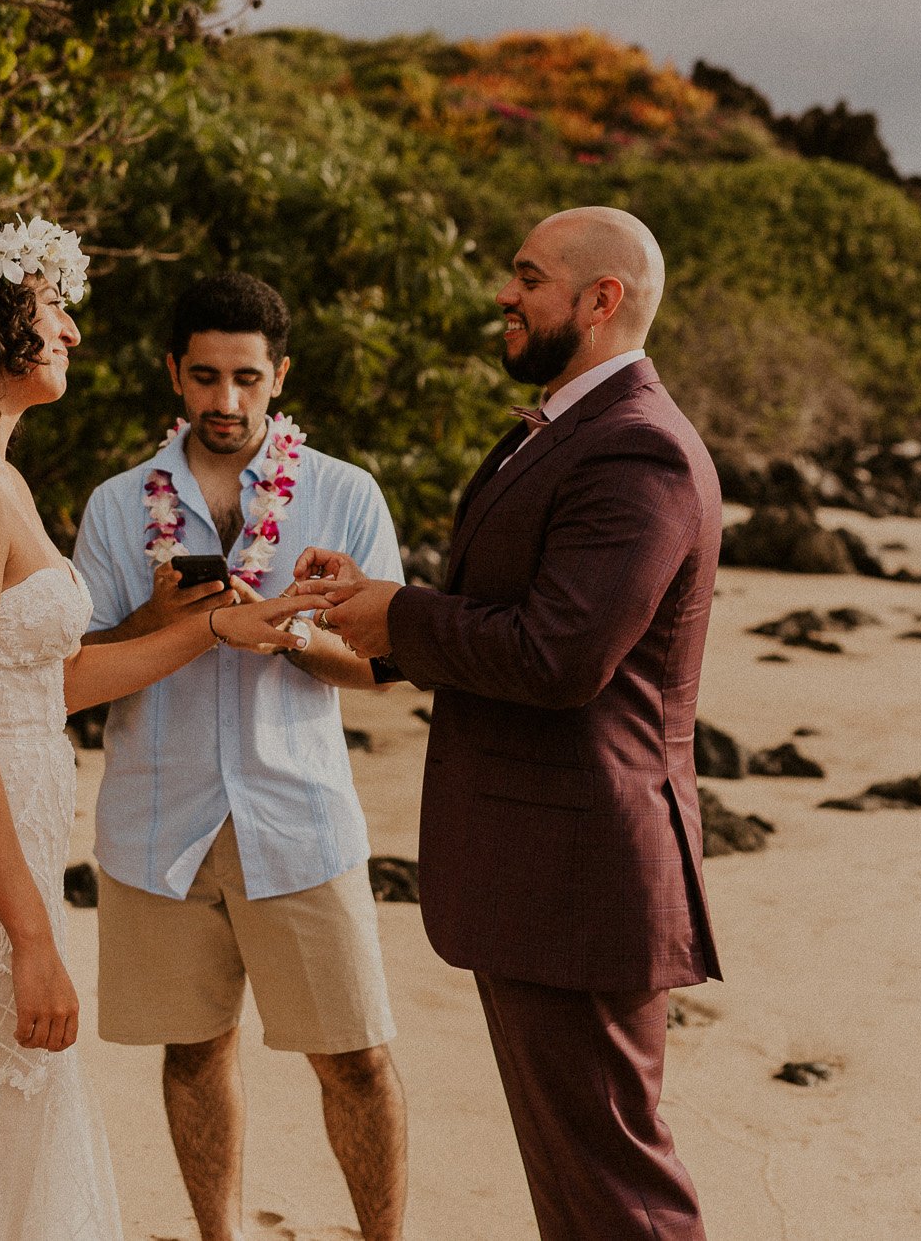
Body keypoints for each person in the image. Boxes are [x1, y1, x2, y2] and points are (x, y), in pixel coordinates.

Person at [0, 221, 325, 1241]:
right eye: (49, 305)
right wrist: (32, 940)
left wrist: (214, 626)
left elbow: (45, 685)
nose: (71, 330)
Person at [294, 207, 721, 1241]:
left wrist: (398, 613)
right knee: (579, 1185)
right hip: (542, 867)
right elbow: (512, 613)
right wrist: (384, 612)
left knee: (617, 1187)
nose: (504, 293)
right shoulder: (567, 426)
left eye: (526, 276)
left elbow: (557, 655)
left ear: (599, 299)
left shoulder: (638, 450)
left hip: (583, 869)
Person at [70, 271, 409, 1241]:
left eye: (247, 379)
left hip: (297, 819)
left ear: (279, 376)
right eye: (206, 377)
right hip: (156, 823)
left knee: (355, 1056)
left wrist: (293, 637)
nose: (226, 402)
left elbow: (388, 664)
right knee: (191, 1050)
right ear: (172, 374)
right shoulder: (116, 505)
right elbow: (82, 661)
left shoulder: (343, 493)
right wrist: (168, 617)